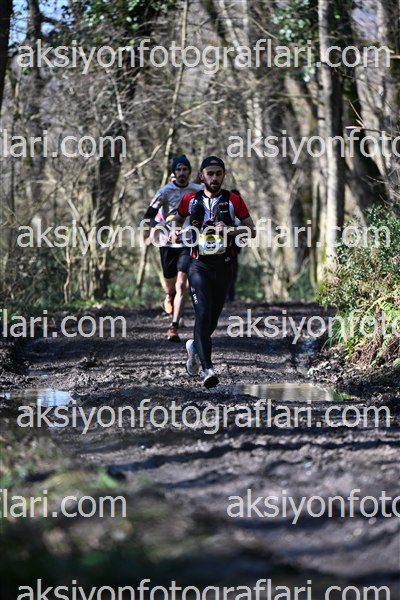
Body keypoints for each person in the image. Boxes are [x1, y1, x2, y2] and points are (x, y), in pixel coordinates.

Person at [173, 156, 256, 387]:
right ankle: (208, 369)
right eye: (210, 174)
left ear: (224, 175)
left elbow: (251, 230)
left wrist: (230, 230)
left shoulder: (233, 200)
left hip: (224, 265)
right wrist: (174, 232)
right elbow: (177, 219)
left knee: (211, 320)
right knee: (202, 313)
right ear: (201, 176)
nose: (214, 178)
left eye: (219, 173)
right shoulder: (190, 200)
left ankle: (193, 346)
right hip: (198, 266)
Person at [143, 155, 202, 342]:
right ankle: (169, 296)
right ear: (174, 172)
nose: (182, 173)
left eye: (185, 169)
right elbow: (148, 217)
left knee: (181, 284)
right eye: (179, 170)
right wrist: (160, 227)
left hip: (188, 242)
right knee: (171, 285)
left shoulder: (198, 190)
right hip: (167, 243)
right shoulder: (164, 192)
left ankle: (173, 326)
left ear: (189, 172)